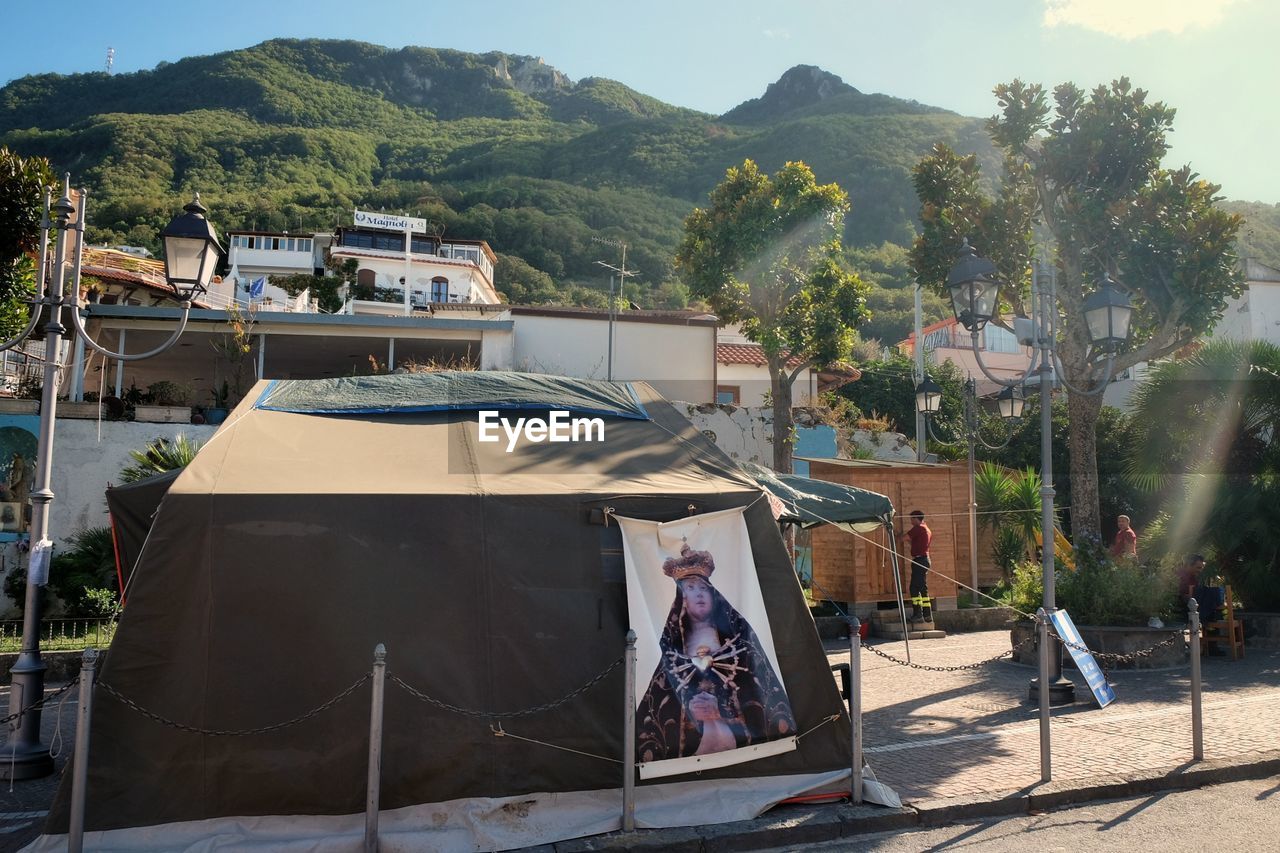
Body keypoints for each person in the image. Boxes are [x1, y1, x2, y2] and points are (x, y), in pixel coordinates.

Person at [636, 543, 795, 763]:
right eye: (690, 588)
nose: (699, 594)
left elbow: (760, 691)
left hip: (741, 749)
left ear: (713, 594)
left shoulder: (741, 642)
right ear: (682, 598)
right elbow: (660, 705)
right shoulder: (672, 652)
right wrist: (690, 710)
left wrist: (721, 709)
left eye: (703, 588)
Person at [898, 510, 932, 624]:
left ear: (916, 519)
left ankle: (919, 614)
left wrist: (897, 535)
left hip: (920, 561)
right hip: (924, 560)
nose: (910, 521)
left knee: (915, 588)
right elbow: (914, 543)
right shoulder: (926, 529)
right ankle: (926, 615)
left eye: (912, 519)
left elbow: (903, 538)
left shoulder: (918, 528)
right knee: (921, 587)